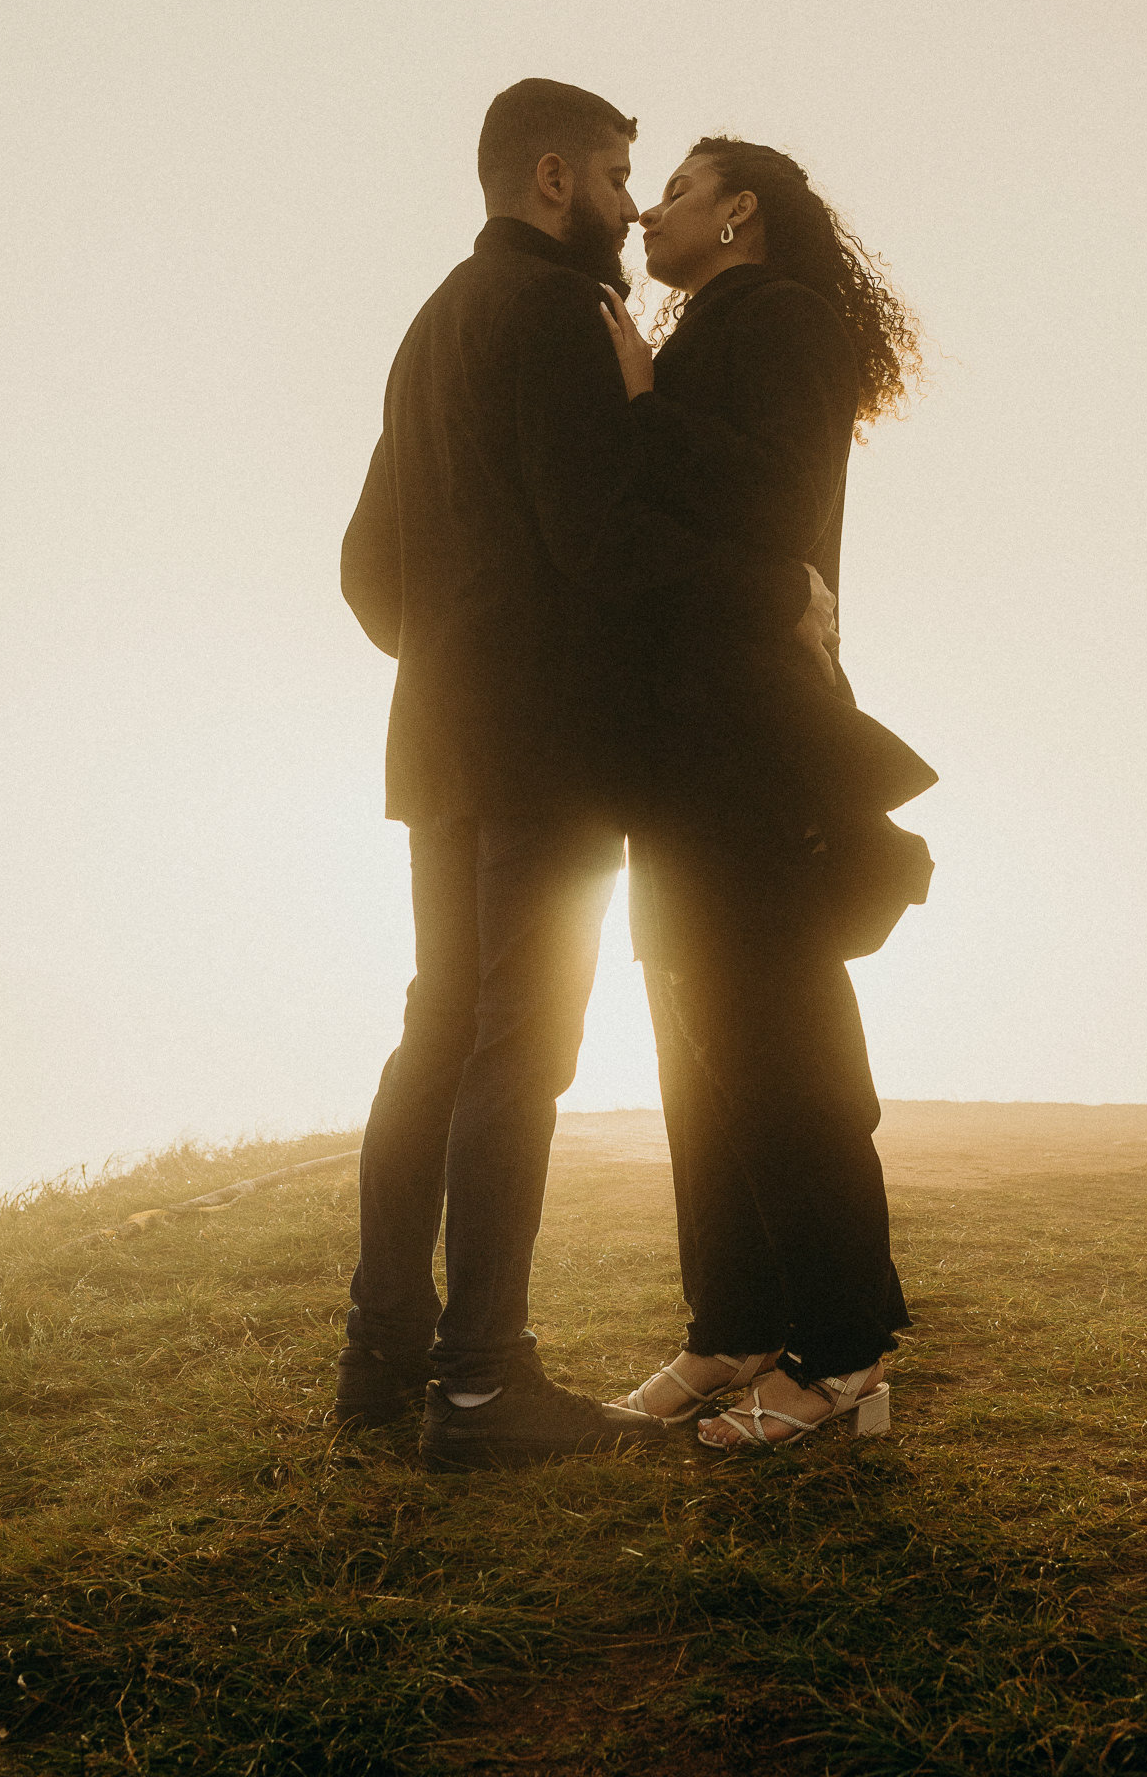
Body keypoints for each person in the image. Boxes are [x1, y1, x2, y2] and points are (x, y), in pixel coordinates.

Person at [336, 84, 835, 1467]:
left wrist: (453, 659)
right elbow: (604, 538)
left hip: (438, 742)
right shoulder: (562, 313)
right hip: (545, 748)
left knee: (437, 1033)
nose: (629, 203)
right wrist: (776, 592)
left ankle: (380, 1359)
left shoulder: (433, 319)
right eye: (619, 175)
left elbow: (367, 569)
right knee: (519, 1048)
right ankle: (481, 1389)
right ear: (554, 179)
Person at [597, 137, 930, 1452]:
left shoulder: (783, 318)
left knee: (780, 1043)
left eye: (679, 189)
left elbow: (775, 502)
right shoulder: (710, 330)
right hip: (687, 744)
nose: (652, 210)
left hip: (756, 742)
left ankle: (845, 1352)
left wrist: (640, 403)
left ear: (741, 210)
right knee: (697, 1041)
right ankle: (731, 1325)